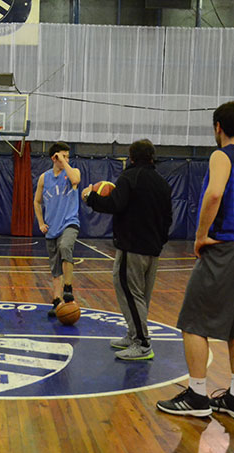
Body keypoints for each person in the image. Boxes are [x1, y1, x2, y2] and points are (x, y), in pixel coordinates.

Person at [156, 101, 234, 420]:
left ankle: (198, 395)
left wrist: (201, 235)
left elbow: (214, 194)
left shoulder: (221, 155)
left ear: (218, 127)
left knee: (193, 322)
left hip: (226, 247)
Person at [82, 139, 172, 360]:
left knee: (130, 293)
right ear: (152, 157)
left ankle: (142, 343)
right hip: (153, 249)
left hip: (132, 247)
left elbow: (115, 204)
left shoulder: (129, 177)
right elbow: (168, 217)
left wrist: (90, 198)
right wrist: (160, 242)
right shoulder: (162, 182)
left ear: (131, 158)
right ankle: (133, 335)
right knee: (141, 295)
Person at [33, 142, 81, 317]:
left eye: (68, 156)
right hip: (51, 227)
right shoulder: (44, 178)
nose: (66, 159)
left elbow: (76, 180)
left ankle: (68, 287)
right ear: (53, 157)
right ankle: (56, 301)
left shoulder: (72, 173)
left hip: (69, 222)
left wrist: (65, 162)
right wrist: (40, 222)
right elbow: (36, 202)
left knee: (65, 246)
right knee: (55, 268)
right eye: (62, 156)